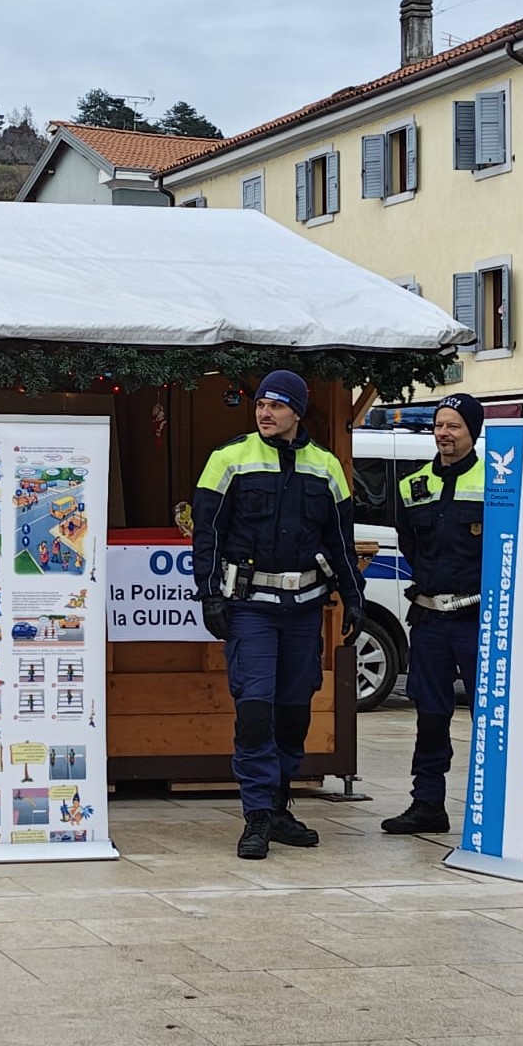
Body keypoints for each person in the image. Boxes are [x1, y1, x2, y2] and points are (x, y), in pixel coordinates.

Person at [191, 369, 364, 860]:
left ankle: (280, 803)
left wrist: (354, 598)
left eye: (277, 405)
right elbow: (207, 538)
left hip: (304, 609)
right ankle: (257, 815)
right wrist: (210, 596)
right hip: (249, 609)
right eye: (261, 404)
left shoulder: (326, 467)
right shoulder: (229, 459)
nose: (265, 413)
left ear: (297, 412)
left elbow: (340, 542)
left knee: (292, 713)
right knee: (254, 709)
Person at [382, 393, 487, 836]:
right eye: (439, 425)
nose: (444, 433)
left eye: (454, 426)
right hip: (429, 621)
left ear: (472, 432)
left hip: (479, 620)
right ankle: (427, 803)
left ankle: (495, 804)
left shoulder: (497, 480)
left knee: (491, 714)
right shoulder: (413, 485)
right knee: (430, 713)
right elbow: (411, 545)